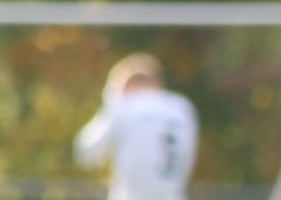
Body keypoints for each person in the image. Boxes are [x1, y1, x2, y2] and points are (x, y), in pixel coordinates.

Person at [75, 53, 198, 200]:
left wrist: (110, 102)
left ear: (124, 85)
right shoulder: (182, 108)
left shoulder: (124, 108)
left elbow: (85, 152)